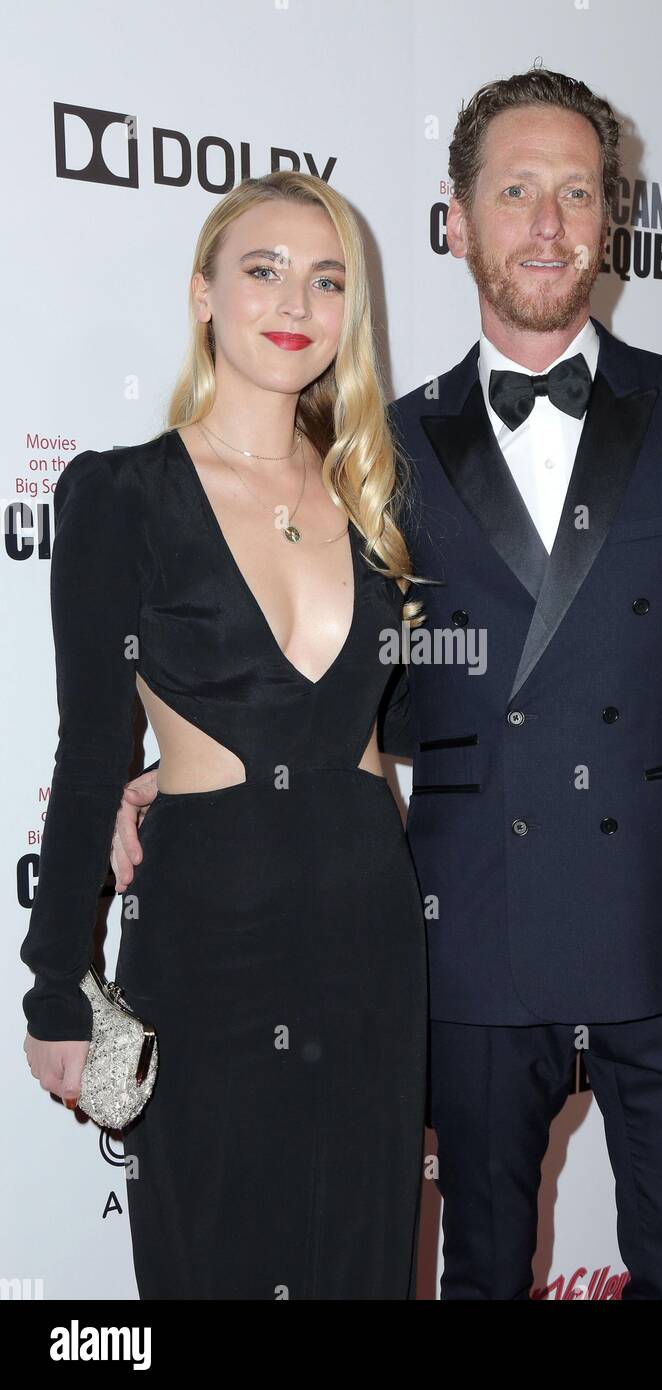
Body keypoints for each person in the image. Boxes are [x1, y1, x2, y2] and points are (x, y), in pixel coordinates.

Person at [112, 69, 662, 1301]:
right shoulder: (369, 448)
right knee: (479, 1272)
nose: (545, 225)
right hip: (466, 940)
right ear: (455, 218)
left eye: (574, 194)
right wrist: (172, 774)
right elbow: (333, 686)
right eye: (513, 193)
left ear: (611, 220)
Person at [20, 171, 428, 1301]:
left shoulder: (379, 499)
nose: (295, 298)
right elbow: (89, 747)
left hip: (369, 944)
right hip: (208, 944)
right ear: (203, 292)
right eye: (262, 269)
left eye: (327, 277)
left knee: (361, 1267)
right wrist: (57, 979)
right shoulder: (121, 493)